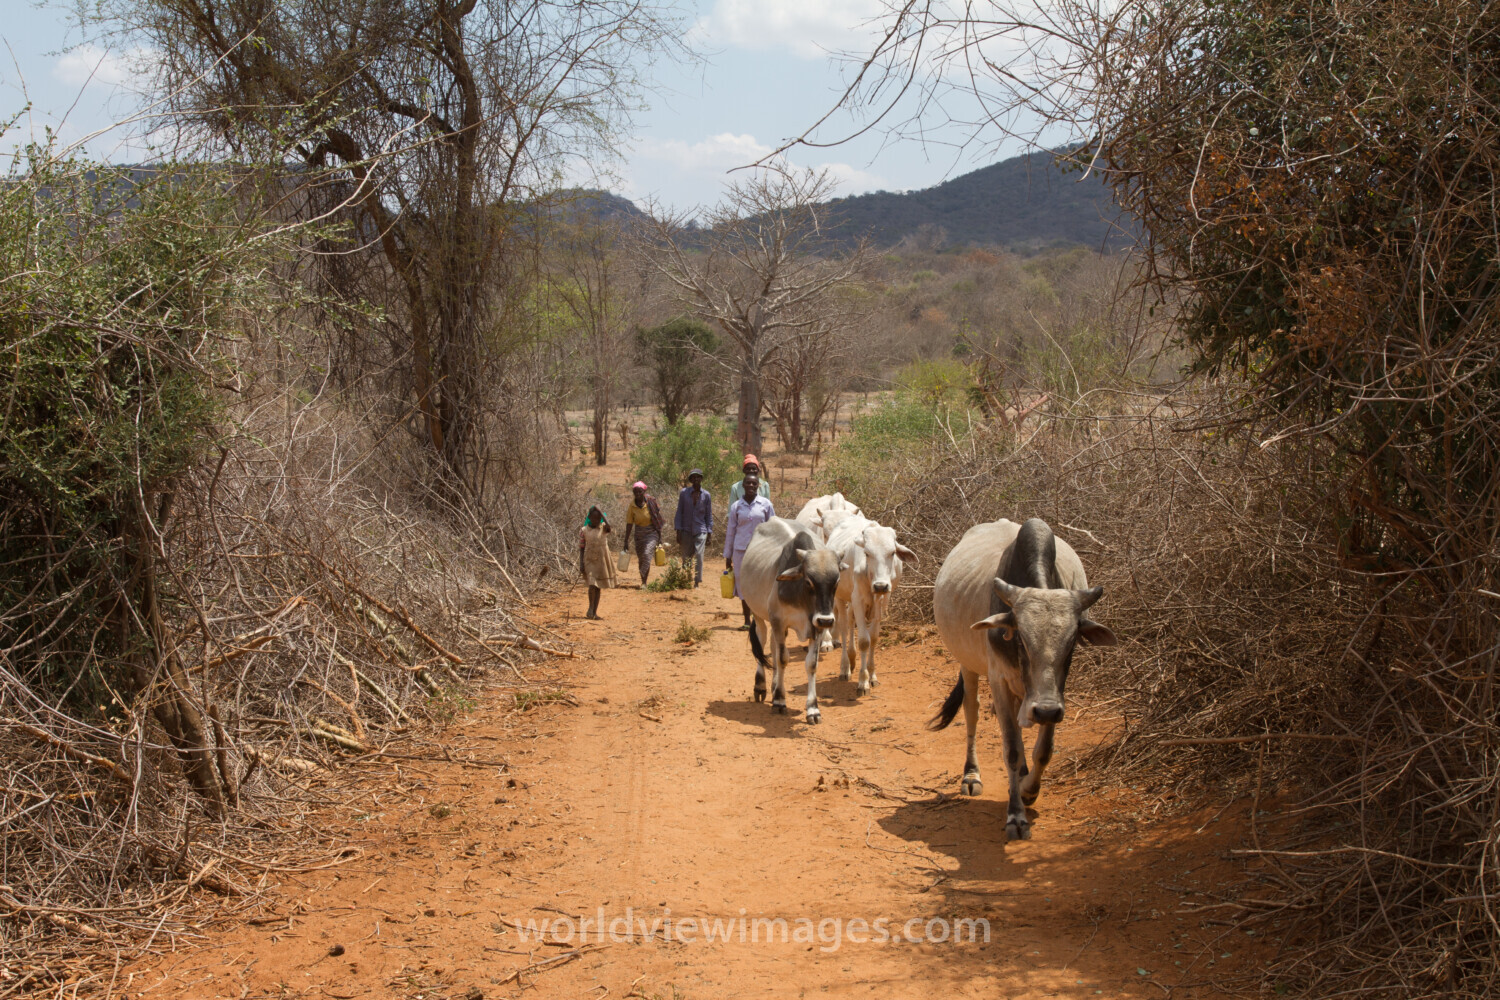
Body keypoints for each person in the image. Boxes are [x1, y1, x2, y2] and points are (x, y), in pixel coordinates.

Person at [722, 474, 774, 629]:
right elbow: (731, 531)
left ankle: (760, 617)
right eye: (748, 483)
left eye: (754, 483)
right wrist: (728, 554)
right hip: (740, 551)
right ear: (742, 486)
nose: (751, 486)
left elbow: (773, 527)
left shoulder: (766, 504)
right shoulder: (736, 506)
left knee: (760, 583)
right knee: (742, 585)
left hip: (761, 552)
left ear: (758, 486)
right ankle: (746, 620)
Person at [673, 468, 714, 587]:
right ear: (691, 479)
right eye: (693, 477)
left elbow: (708, 515)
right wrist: (678, 530)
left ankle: (697, 581)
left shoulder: (706, 495)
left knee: (699, 556)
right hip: (686, 529)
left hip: (701, 530)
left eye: (698, 477)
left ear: (701, 479)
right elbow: (679, 512)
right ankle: (686, 578)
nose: (696, 479)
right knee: (686, 557)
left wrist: (709, 532)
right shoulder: (684, 493)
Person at [622, 480, 664, 586]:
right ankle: (643, 581)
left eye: (639, 491)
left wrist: (660, 537)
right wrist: (626, 540)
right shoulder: (632, 506)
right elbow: (629, 523)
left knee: (646, 554)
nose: (637, 494)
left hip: (651, 533)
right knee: (641, 558)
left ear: (644, 491)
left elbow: (657, 519)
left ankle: (644, 583)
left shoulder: (650, 502)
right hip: (639, 534)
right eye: (635, 492)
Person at [578, 505, 616, 619]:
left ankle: (594, 612)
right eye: (593, 518)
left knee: (598, 586)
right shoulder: (584, 530)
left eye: (598, 518)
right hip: (589, 559)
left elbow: (610, 527)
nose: (596, 521)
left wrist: (601, 513)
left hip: (602, 559)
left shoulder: (604, 528)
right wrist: (581, 563)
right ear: (589, 517)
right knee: (592, 584)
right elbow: (581, 547)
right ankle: (590, 608)